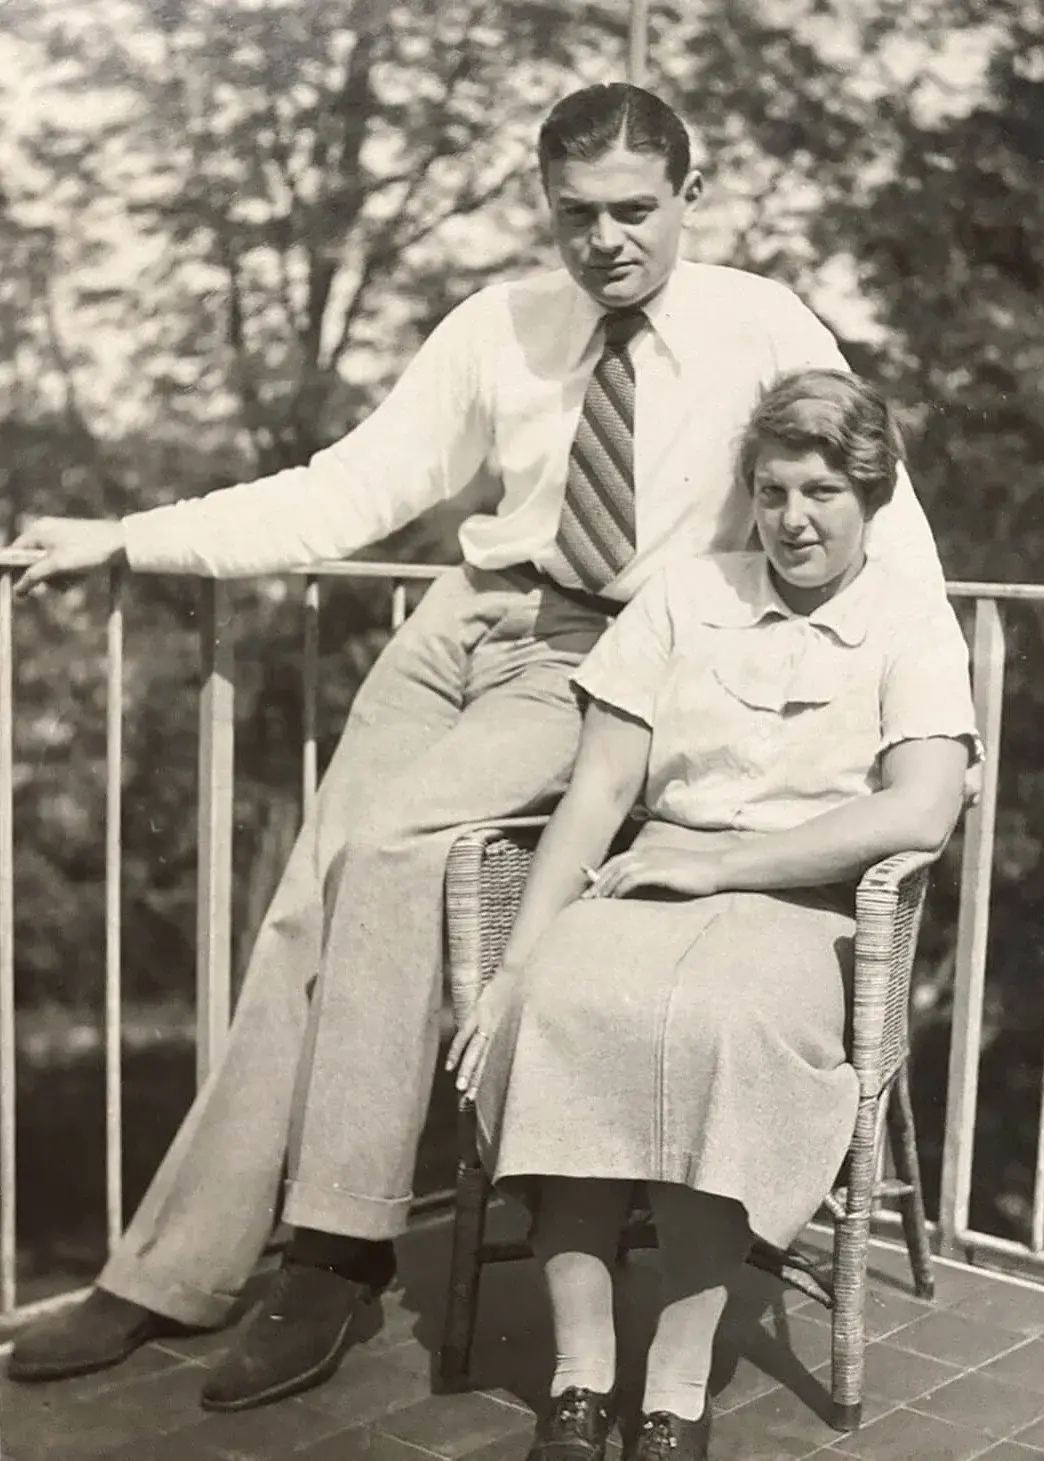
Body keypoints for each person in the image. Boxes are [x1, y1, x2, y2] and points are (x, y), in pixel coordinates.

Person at [7, 85, 945, 1412]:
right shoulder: (499, 324)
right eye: (577, 216)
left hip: (605, 650)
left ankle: (334, 1254)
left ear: (688, 192)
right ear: (545, 206)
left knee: (395, 849)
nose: (606, 242)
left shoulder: (762, 322)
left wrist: (912, 682)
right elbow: (353, 485)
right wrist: (129, 535)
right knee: (309, 886)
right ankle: (170, 1270)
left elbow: (876, 501)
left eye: (634, 211)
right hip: (467, 622)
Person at [446, 369, 979, 1461]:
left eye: (823, 491)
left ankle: (674, 1395)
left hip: (807, 910)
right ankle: (580, 1381)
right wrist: (513, 968)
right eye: (773, 490)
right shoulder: (687, 596)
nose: (793, 519)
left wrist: (727, 864)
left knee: (719, 1030)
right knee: (564, 1005)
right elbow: (597, 793)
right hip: (651, 886)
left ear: (871, 498)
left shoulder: (910, 622)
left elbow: (921, 806)